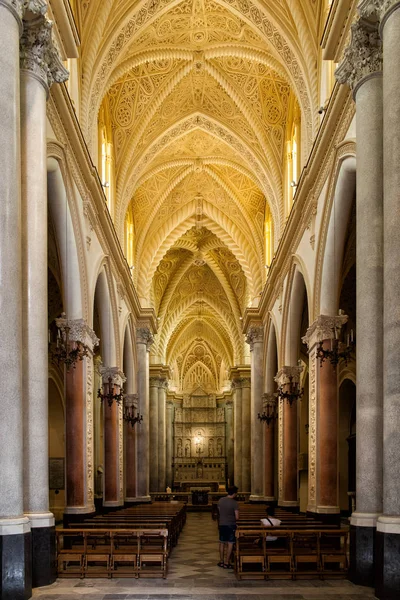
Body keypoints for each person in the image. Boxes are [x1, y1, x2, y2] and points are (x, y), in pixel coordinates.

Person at [217, 485, 239, 569]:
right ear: (234, 493)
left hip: (222, 523)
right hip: (231, 524)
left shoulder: (220, 500)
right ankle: (227, 562)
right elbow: (237, 517)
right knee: (230, 543)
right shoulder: (234, 503)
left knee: (222, 542)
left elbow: (219, 511)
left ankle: (221, 561)